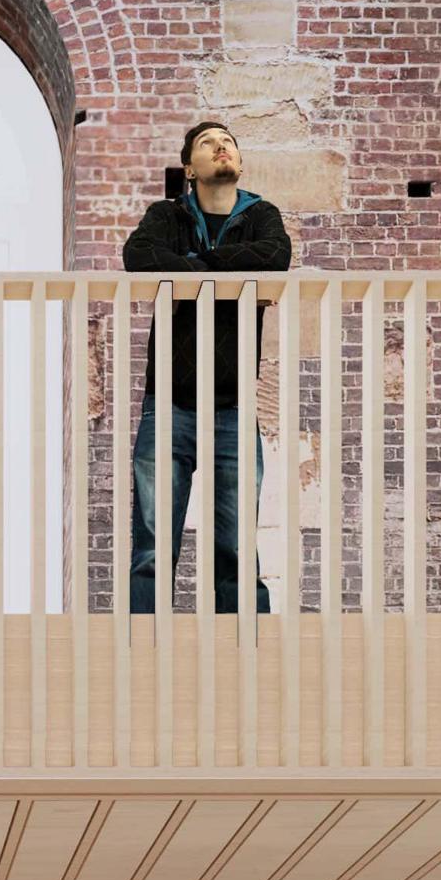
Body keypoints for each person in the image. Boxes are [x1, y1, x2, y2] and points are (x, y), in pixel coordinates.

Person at [121, 121, 288, 616]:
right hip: (169, 402)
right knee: (153, 542)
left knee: (236, 545)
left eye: (229, 142)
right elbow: (139, 256)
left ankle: (246, 655)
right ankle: (145, 649)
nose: (222, 148)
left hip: (234, 405)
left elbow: (275, 257)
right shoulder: (164, 215)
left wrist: (191, 264)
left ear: (241, 164)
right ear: (189, 168)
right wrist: (225, 268)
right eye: (208, 143)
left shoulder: (262, 216)